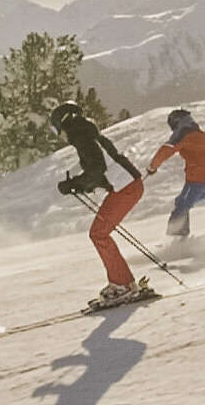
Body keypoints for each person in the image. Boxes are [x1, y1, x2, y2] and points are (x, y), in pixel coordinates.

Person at [50, 100, 146, 304]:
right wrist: (80, 184)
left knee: (98, 234)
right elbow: (101, 167)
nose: (58, 134)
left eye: (55, 129)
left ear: (62, 123)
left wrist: (75, 184)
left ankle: (122, 285)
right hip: (127, 185)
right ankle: (124, 283)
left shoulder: (79, 134)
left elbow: (97, 167)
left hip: (125, 188)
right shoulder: (85, 131)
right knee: (99, 233)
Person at [146, 108, 205, 237]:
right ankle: (180, 237)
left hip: (198, 181)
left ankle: (178, 241)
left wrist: (152, 167)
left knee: (182, 204)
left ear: (176, 122)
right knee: (182, 202)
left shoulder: (183, 134)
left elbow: (167, 149)